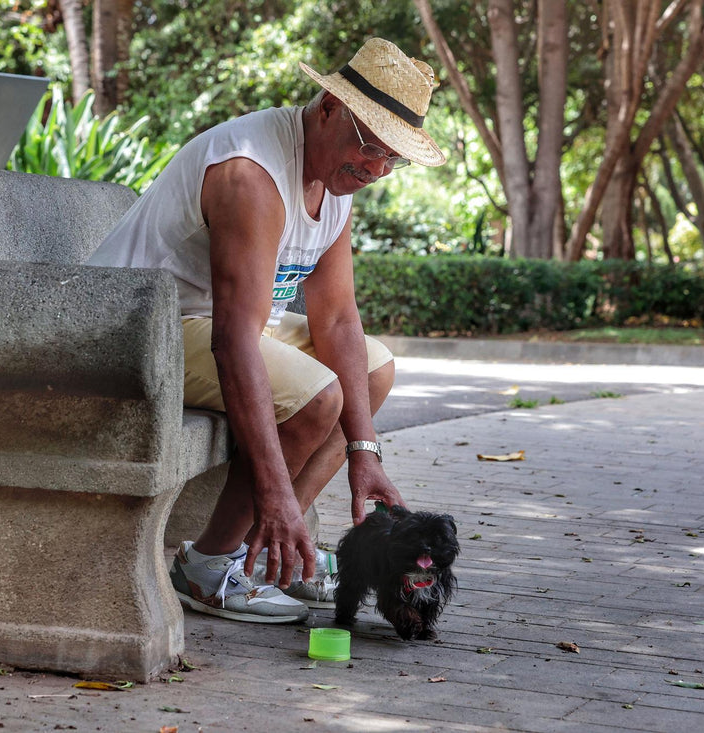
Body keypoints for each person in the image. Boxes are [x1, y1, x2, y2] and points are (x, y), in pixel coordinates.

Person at [88, 37, 447, 623]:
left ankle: (275, 555)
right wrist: (275, 492)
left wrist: (364, 451)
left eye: (392, 158)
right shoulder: (251, 174)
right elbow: (234, 342)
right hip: (134, 328)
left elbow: (337, 319)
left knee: (372, 367)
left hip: (206, 323)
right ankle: (208, 564)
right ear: (329, 106)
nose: (376, 169)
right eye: (369, 146)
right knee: (317, 396)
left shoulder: (334, 178)